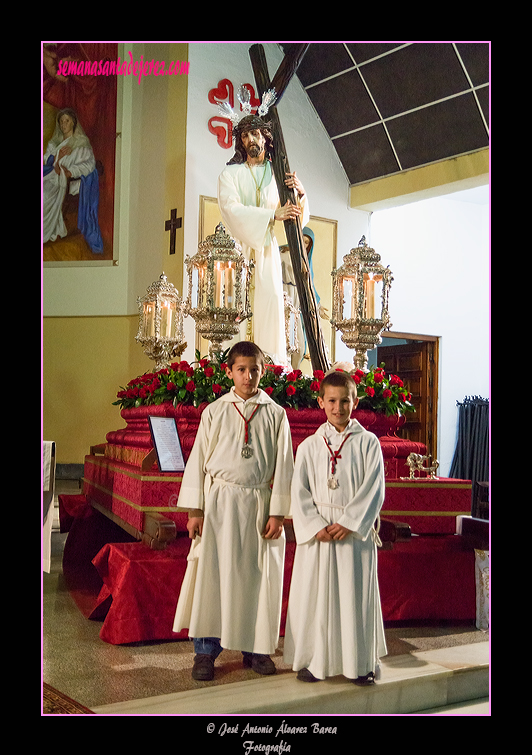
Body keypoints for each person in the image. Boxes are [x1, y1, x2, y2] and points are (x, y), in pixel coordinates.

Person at [173, 341, 294, 680]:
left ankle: (255, 650)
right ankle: (205, 652)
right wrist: (195, 509)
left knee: (255, 578)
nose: (248, 376)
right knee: (213, 576)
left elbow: (284, 466)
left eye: (254, 369)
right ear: (229, 372)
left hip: (257, 505)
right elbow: (198, 461)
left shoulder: (275, 413)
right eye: (241, 369)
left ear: (262, 371)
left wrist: (278, 512)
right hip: (219, 504)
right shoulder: (215, 411)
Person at [283, 370, 387, 685]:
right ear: (320, 402)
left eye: (344, 401)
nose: (338, 408)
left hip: (352, 535)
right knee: (315, 598)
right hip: (319, 535)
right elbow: (298, 490)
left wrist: (350, 522)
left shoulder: (369, 443)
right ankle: (314, 662)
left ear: (355, 401)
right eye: (331, 401)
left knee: (354, 597)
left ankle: (359, 664)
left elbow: (374, 488)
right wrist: (314, 525)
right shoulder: (310, 446)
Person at [217, 113, 309, 365]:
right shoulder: (230, 174)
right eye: (245, 135)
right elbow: (230, 209)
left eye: (255, 133)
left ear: (266, 138)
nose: (250, 140)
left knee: (270, 305)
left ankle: (270, 370)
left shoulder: (279, 173)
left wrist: (300, 194)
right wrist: (271, 214)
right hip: (238, 253)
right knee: (235, 310)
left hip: (267, 253)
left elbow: (298, 216)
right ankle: (233, 369)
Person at [43, 107, 103, 253]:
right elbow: (46, 161)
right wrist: (57, 158)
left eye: (67, 121)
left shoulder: (81, 143)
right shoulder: (55, 143)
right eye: (61, 122)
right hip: (52, 174)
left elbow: (88, 165)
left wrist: (70, 171)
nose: (63, 125)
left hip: (66, 179)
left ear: (73, 123)